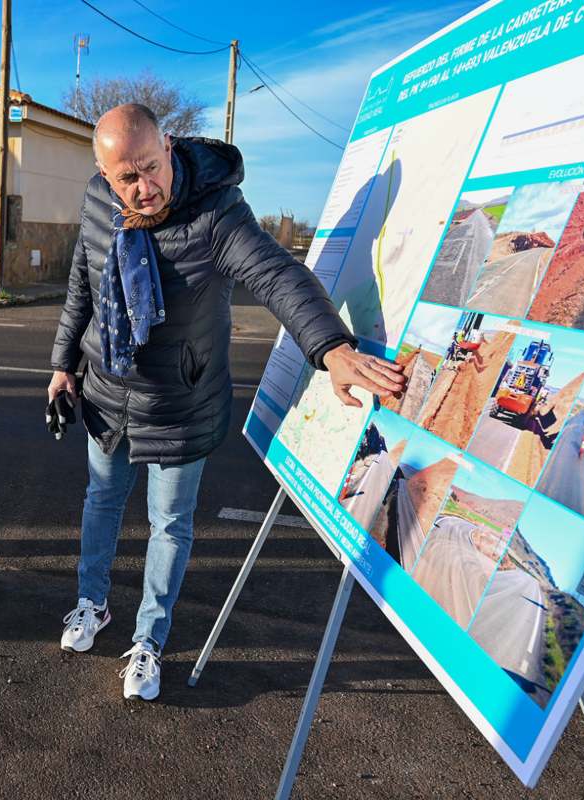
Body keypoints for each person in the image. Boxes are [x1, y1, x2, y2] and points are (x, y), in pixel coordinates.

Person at [49, 104, 406, 700]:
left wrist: (330, 347)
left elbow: (275, 275)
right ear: (102, 176)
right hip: (107, 392)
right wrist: (63, 364)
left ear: (168, 145)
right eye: (126, 179)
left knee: (170, 524)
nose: (144, 188)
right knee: (101, 500)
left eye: (150, 168)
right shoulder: (97, 202)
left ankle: (149, 641)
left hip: (181, 402)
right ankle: (92, 603)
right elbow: (82, 286)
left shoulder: (216, 211)